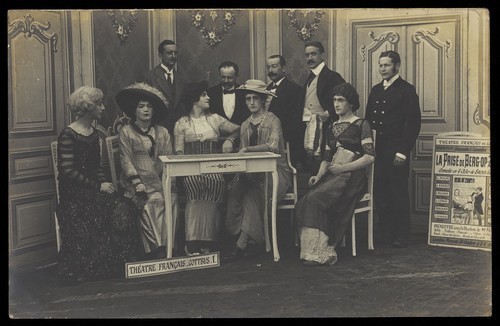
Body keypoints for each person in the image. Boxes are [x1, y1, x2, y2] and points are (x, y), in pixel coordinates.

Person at [55, 86, 140, 285]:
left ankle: (116, 265)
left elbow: (96, 167)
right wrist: (97, 186)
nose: (103, 108)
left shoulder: (94, 134)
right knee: (101, 207)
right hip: (74, 193)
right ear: (88, 107)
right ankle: (91, 268)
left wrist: (104, 182)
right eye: (99, 104)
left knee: (124, 204)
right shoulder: (68, 134)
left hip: (92, 187)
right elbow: (68, 172)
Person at [295, 83, 375, 266]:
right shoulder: (331, 126)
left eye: (341, 100)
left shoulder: (361, 124)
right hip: (333, 175)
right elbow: (326, 159)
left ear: (351, 103)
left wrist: (342, 169)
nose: (336, 104)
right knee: (306, 199)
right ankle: (312, 250)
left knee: (316, 198)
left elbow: (369, 157)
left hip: (353, 176)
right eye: (334, 100)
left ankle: (324, 249)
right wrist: (319, 174)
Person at [224, 79, 292, 261]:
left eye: (255, 98)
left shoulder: (273, 120)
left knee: (253, 195)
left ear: (263, 100)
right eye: (248, 99)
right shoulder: (245, 124)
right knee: (235, 192)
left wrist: (248, 150)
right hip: (251, 172)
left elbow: (273, 146)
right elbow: (243, 157)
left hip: (276, 172)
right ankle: (243, 237)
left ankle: (242, 243)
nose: (251, 102)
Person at [174, 81, 240, 255]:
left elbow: (240, 129)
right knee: (195, 185)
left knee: (215, 182)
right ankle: (192, 242)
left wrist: (229, 140)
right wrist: (187, 165)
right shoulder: (181, 123)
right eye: (203, 95)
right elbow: (179, 151)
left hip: (214, 169)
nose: (208, 97)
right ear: (194, 100)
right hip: (190, 170)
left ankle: (210, 242)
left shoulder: (215, 119)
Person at [365, 50, 421, 248]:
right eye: (380, 65)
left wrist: (403, 152)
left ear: (397, 66)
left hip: (396, 151)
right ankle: (385, 232)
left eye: (386, 65)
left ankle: (401, 235)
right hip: (378, 151)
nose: (383, 69)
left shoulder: (406, 90)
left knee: (398, 193)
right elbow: (368, 121)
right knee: (381, 192)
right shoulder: (375, 90)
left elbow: (412, 124)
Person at [117, 82, 178, 260]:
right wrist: (136, 183)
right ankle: (156, 247)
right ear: (134, 110)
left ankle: (170, 246)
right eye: (141, 106)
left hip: (160, 180)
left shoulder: (162, 132)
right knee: (153, 202)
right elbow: (125, 159)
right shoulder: (127, 132)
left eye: (149, 106)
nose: (145, 110)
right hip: (138, 183)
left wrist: (170, 181)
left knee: (172, 199)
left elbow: (169, 158)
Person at [300, 41, 346, 175]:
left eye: (313, 54)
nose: (310, 58)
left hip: (326, 128)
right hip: (309, 127)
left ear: (322, 55)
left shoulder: (333, 77)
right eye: (307, 55)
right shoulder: (308, 78)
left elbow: (348, 101)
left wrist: (329, 113)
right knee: (311, 165)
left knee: (324, 165)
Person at [265, 55, 303, 167]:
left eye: (274, 66)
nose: (270, 70)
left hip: (286, 142)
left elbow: (295, 119)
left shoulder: (295, 90)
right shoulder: (265, 90)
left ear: (284, 68)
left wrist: (281, 137)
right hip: (265, 140)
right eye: (268, 67)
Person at [144, 39, 185, 134]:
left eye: (175, 53)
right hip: (158, 128)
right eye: (169, 53)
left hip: (178, 130)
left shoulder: (182, 78)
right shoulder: (150, 76)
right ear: (160, 55)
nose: (173, 56)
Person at [207, 61, 250, 126]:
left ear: (237, 75)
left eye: (230, 78)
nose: (226, 81)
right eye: (223, 77)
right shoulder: (210, 93)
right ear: (219, 75)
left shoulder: (244, 92)